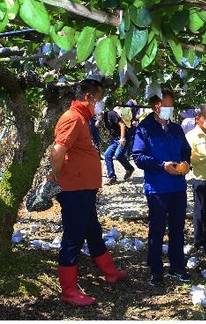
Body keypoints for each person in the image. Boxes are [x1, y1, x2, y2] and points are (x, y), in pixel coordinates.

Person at [47, 78, 127, 306]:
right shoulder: (72, 118)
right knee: (73, 237)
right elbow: (57, 152)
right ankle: (69, 291)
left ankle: (109, 272)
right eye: (99, 99)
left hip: (84, 189)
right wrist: (55, 175)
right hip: (74, 190)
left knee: (92, 230)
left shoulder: (83, 118)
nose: (100, 104)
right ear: (88, 97)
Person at [132, 88, 192, 286]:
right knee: (157, 229)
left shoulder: (176, 129)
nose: (168, 108)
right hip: (157, 188)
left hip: (177, 187)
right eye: (164, 105)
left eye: (170, 105)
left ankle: (177, 266)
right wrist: (162, 165)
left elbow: (186, 150)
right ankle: (156, 269)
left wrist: (185, 163)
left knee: (177, 228)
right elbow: (138, 157)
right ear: (154, 106)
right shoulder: (145, 128)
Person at [185, 104, 206, 253]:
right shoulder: (191, 136)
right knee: (200, 212)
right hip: (201, 179)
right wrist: (204, 157)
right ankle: (200, 242)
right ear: (198, 119)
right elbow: (188, 158)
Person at [102, 105, 135, 185]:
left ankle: (130, 169)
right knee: (107, 155)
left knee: (118, 155)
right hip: (115, 139)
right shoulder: (103, 118)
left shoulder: (111, 114)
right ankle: (112, 178)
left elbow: (122, 124)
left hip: (124, 136)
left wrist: (122, 138)